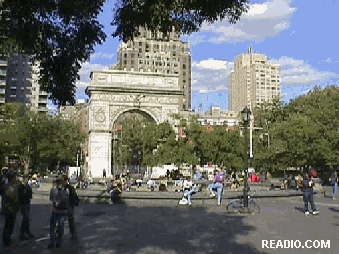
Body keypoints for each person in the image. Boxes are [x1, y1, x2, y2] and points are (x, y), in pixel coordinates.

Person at [48, 176, 70, 249]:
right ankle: (58, 242)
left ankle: (51, 242)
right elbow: (68, 200)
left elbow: (51, 199)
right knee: (61, 227)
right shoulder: (66, 190)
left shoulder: (53, 190)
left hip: (55, 211)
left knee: (52, 227)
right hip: (63, 211)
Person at [1, 171, 20, 248]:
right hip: (10, 209)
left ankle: (7, 239)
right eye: (15, 177)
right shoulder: (9, 187)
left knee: (9, 225)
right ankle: (6, 240)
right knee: (9, 225)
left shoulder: (11, 186)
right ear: (12, 178)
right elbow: (13, 198)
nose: (16, 179)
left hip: (10, 209)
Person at [18, 174, 35, 240]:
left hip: (27, 203)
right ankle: (22, 234)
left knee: (27, 219)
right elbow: (20, 195)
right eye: (26, 178)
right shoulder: (21, 186)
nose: (27, 180)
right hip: (23, 204)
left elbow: (30, 195)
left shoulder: (27, 186)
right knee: (25, 219)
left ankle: (27, 231)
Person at [63, 175, 79, 240]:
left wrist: (74, 202)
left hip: (69, 205)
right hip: (65, 206)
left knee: (70, 220)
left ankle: (73, 234)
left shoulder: (69, 188)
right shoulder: (68, 188)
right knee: (62, 220)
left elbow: (74, 196)